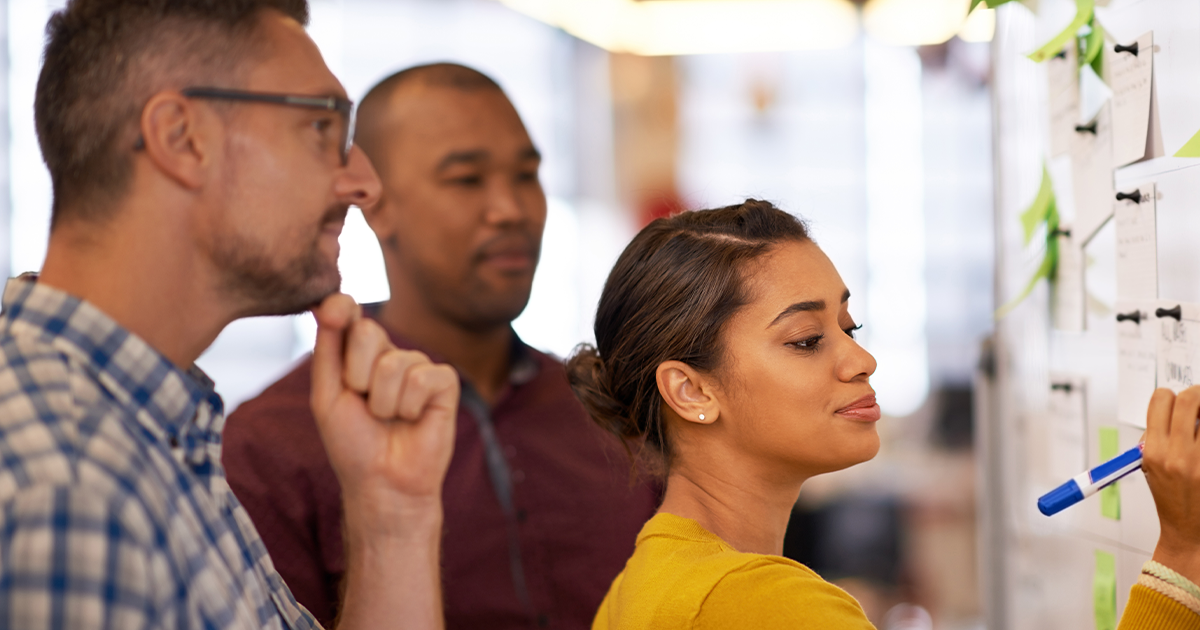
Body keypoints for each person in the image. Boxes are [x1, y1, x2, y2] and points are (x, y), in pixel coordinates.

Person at [0, 2, 459, 628]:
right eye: (323, 126)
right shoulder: (69, 489)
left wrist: (391, 519)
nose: (365, 184)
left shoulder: (152, 436)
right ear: (182, 138)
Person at [567, 198, 1200, 629]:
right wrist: (1183, 552)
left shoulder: (651, 576)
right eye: (807, 340)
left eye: (849, 325)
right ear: (691, 391)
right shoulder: (761, 603)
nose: (861, 359)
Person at [222, 63, 659, 629]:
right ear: (376, 206)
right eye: (467, 180)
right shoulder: (275, 442)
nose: (512, 209)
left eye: (526, 176)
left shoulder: (613, 409)